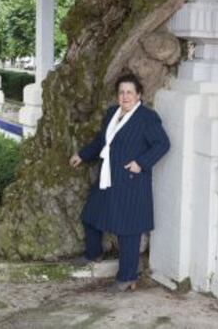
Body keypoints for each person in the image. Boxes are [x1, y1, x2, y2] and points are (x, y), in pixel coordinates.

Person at [69, 72, 170, 292]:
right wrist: (82, 155)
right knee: (90, 215)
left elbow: (162, 144)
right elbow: (101, 141)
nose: (125, 96)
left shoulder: (147, 118)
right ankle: (93, 254)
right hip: (108, 177)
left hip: (131, 181)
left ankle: (127, 277)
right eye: (121, 92)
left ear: (139, 95)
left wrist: (140, 163)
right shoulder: (112, 113)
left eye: (129, 92)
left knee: (128, 231)